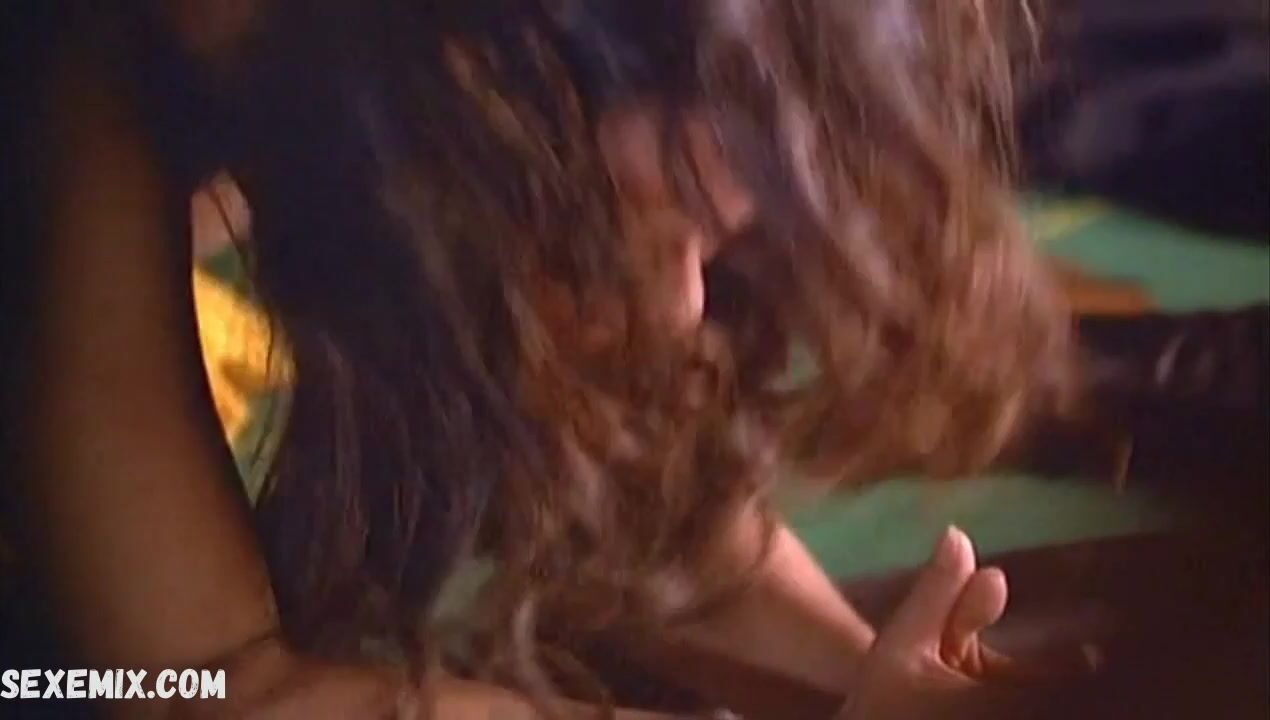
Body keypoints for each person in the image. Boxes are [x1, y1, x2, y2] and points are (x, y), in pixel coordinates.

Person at [9, 0, 1072, 717]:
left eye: (708, 244)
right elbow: (196, 689)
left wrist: (881, 678)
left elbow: (670, 542)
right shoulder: (83, 73)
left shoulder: (444, 134)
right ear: (480, 92)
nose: (680, 308)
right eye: (652, 222)